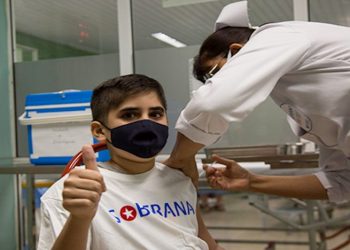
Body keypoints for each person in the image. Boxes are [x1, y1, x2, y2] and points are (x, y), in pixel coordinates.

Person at [165, 1, 350, 203]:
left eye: (215, 74)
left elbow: (215, 102)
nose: (216, 83)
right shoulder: (298, 87)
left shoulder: (278, 35)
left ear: (236, 51)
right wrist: (251, 181)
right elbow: (341, 182)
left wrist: (179, 158)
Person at [37, 74, 223, 250]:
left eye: (156, 114)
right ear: (99, 131)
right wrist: (79, 219)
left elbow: (203, 241)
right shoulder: (74, 192)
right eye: (129, 115)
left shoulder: (180, 178)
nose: (146, 123)